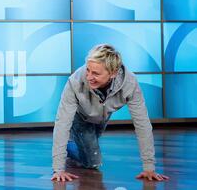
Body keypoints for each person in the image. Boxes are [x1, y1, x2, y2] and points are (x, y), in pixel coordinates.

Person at [51, 44, 169, 182]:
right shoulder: (75, 81)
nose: (88, 77)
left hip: (102, 117)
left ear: (113, 73)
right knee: (92, 161)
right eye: (88, 70)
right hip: (80, 117)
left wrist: (149, 167)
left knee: (90, 145)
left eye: (95, 73)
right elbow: (62, 123)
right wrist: (58, 169)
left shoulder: (129, 83)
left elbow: (142, 124)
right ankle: (71, 143)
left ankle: (78, 142)